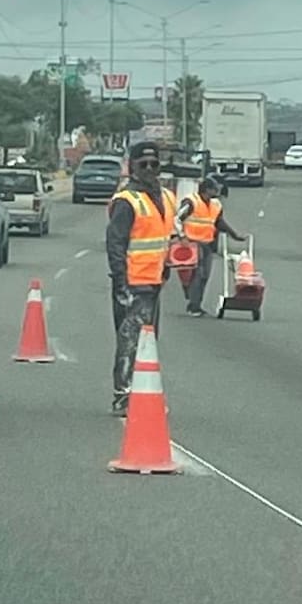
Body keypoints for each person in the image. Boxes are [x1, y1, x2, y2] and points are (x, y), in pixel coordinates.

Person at [105, 141, 177, 416]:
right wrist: (121, 283)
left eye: (154, 164)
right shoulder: (127, 201)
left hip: (154, 281)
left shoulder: (165, 198)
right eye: (143, 164)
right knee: (129, 341)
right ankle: (122, 396)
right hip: (132, 283)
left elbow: (165, 236)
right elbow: (115, 244)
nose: (149, 169)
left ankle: (142, 393)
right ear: (132, 167)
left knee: (147, 342)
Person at [176, 176, 246, 316]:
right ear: (206, 190)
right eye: (214, 189)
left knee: (204, 276)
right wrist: (182, 237)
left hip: (208, 244)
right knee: (198, 274)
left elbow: (219, 223)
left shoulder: (216, 205)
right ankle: (193, 306)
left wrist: (234, 235)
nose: (217, 191)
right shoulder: (191, 202)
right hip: (193, 244)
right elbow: (177, 219)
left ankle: (195, 302)